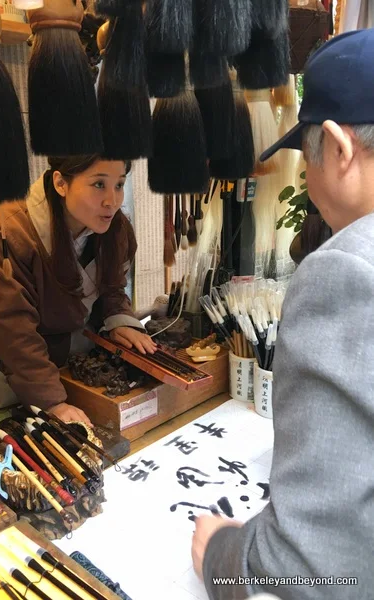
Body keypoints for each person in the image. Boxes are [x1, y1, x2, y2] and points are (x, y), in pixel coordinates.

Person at [191, 29, 374, 599]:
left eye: (305, 156)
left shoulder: (347, 272)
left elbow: (313, 566)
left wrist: (223, 553)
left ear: (339, 149)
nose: (303, 177)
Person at [0, 155, 156, 423]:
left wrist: (119, 320)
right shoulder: (11, 227)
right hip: (22, 369)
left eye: (119, 185)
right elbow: (14, 327)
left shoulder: (116, 228)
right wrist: (51, 402)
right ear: (60, 183)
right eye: (99, 184)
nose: (112, 201)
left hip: (80, 367)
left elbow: (113, 289)